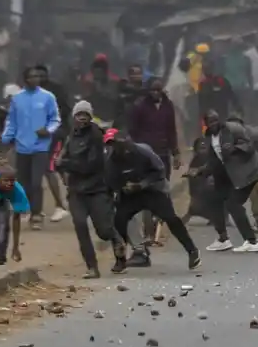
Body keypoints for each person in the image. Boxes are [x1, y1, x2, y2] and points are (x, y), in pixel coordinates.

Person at [104, 129, 201, 270]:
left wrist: (142, 184)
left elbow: (160, 171)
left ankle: (192, 251)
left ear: (126, 140)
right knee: (118, 221)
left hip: (153, 190)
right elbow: (111, 183)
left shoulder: (142, 151)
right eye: (110, 144)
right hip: (131, 195)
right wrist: (121, 190)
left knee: (171, 219)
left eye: (117, 143)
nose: (115, 147)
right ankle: (120, 259)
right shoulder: (111, 161)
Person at [56, 101, 127, 278]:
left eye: (85, 115)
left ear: (90, 117)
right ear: (74, 117)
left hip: (97, 189)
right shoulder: (71, 136)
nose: (82, 118)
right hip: (76, 191)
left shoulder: (96, 136)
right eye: (79, 115)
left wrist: (65, 164)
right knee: (80, 225)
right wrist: (63, 169)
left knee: (104, 230)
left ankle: (117, 242)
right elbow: (58, 161)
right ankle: (92, 267)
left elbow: (89, 165)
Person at [2, 67, 62, 230]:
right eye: (32, 76)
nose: (36, 79)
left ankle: (37, 214)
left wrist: (48, 130)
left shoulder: (47, 97)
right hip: (22, 146)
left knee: (36, 182)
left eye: (37, 76)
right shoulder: (17, 99)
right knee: (24, 182)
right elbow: (11, 121)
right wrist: (6, 138)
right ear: (25, 79)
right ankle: (26, 210)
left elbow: (55, 119)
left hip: (41, 146)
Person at [200, 110, 258, 253]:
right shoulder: (209, 137)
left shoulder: (232, 128)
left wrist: (235, 148)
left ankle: (252, 241)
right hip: (227, 174)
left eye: (216, 120)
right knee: (214, 198)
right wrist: (202, 171)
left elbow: (250, 145)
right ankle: (223, 239)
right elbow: (214, 159)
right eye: (210, 122)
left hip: (248, 172)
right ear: (206, 125)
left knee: (233, 204)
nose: (214, 124)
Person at [128, 76, 181, 246]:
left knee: (162, 189)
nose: (156, 93)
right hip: (145, 155)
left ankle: (158, 230)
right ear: (148, 90)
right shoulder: (140, 107)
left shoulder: (168, 106)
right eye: (153, 90)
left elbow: (171, 130)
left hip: (163, 154)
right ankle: (148, 232)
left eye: (159, 89)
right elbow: (133, 131)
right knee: (146, 190)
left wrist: (176, 153)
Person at [34, 64, 70, 223]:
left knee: (50, 169)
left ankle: (60, 206)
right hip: (35, 135)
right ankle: (35, 209)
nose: (40, 79)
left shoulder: (56, 89)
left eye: (42, 75)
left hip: (55, 134)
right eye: (37, 76)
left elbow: (65, 111)